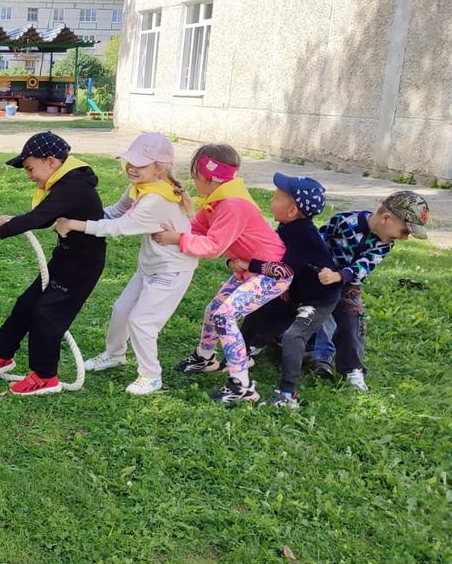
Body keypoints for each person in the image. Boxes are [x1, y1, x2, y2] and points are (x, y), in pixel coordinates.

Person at [0, 131, 106, 395]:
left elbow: (40, 218)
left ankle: (45, 376)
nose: (29, 175)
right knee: (26, 305)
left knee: (46, 314)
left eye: (30, 168)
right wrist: (12, 222)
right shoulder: (65, 183)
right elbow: (43, 215)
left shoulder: (75, 185)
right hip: (64, 259)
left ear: (51, 162)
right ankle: (1, 356)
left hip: (82, 267)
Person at [54, 132, 196, 395]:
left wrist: (76, 224)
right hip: (151, 266)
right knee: (121, 310)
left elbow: (119, 227)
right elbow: (114, 212)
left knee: (142, 322)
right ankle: (114, 354)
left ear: (159, 168)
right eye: (130, 161)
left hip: (172, 270)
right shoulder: (141, 188)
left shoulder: (155, 199)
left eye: (140, 164)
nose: (132, 167)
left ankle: (151, 376)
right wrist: (76, 215)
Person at [152, 144, 288, 405]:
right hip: (249, 269)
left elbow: (213, 246)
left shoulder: (233, 205)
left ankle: (242, 386)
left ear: (205, 176)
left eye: (193, 174)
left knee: (225, 316)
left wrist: (176, 238)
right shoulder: (218, 202)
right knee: (213, 309)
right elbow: (196, 228)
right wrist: (174, 222)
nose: (192, 180)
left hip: (271, 274)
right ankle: (205, 358)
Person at [309, 190, 429, 391]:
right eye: (405, 231)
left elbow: (364, 266)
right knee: (321, 314)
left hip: (348, 282)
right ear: (385, 218)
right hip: (319, 276)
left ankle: (352, 369)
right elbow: (318, 241)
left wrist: (340, 276)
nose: (404, 238)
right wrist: (318, 269)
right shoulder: (344, 222)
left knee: (352, 318)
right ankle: (320, 358)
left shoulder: (385, 244)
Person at [238, 174, 339, 408]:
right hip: (294, 292)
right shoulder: (288, 226)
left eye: (276, 198)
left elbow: (282, 270)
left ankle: (287, 392)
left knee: (294, 336)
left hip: (318, 299)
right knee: (258, 312)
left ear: (292, 210)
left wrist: (249, 264)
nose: (272, 201)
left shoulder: (304, 235)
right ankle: (239, 356)